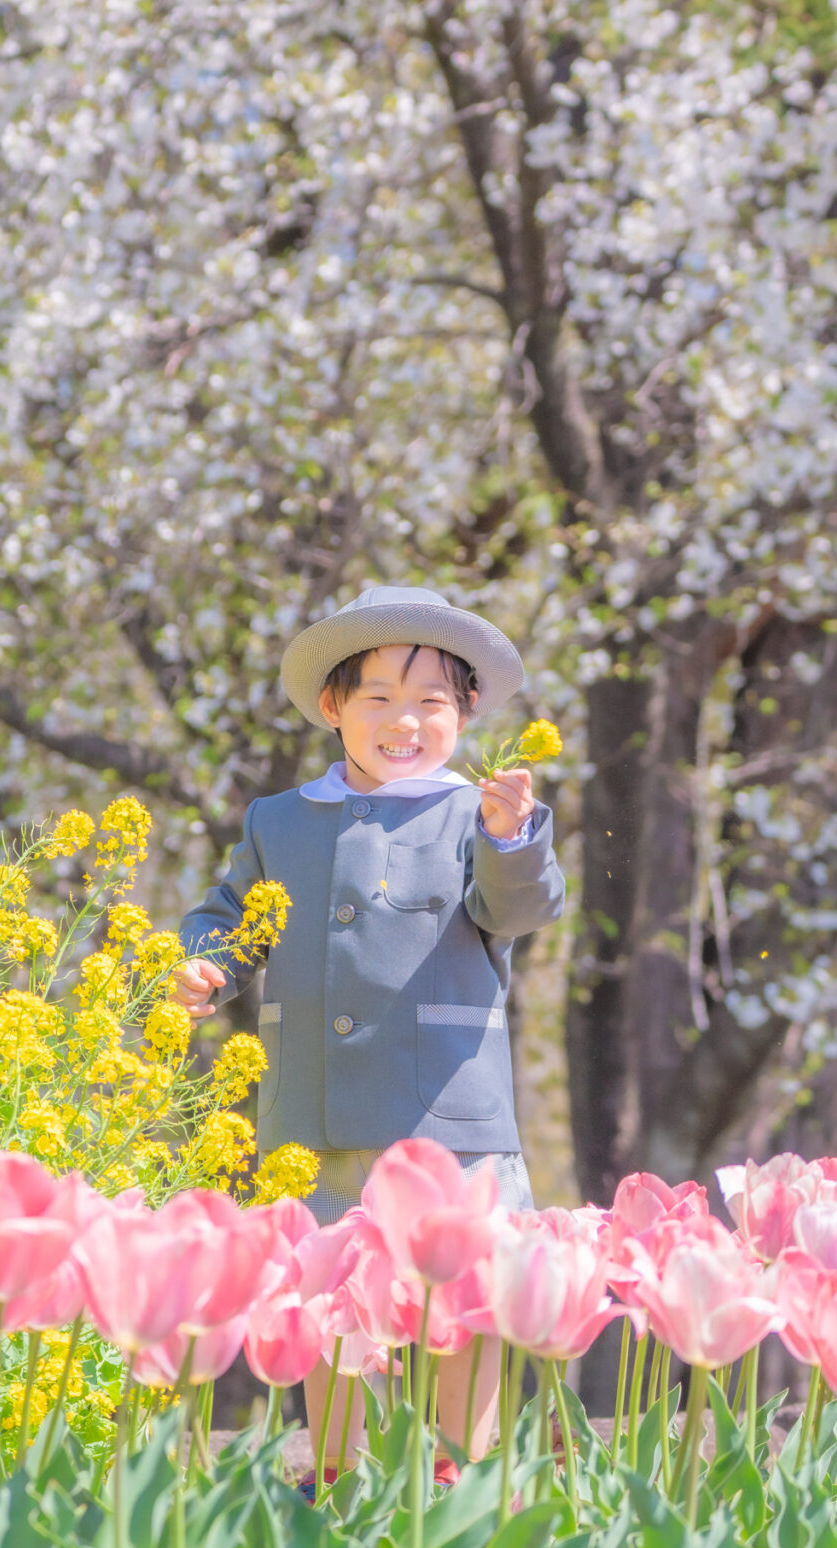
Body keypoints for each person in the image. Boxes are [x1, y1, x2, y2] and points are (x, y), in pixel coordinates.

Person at [175, 582, 565, 1476]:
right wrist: (204, 965)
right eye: (378, 698)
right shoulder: (280, 821)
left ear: (465, 713)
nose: (406, 722)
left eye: (431, 702)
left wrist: (512, 839)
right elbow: (233, 915)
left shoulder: (478, 814)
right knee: (332, 1311)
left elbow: (520, 910)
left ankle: (469, 1484)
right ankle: (343, 1485)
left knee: (463, 1312)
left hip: (449, 1123)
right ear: (332, 707)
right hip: (314, 1121)